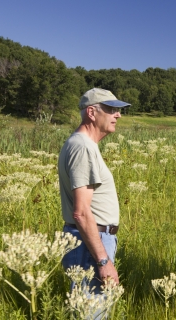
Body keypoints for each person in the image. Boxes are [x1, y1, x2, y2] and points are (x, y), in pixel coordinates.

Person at [59, 88, 130, 311]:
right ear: (91, 112)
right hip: (90, 244)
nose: (117, 115)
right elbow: (80, 211)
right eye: (111, 109)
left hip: (91, 241)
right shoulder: (83, 147)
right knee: (92, 312)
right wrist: (103, 261)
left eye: (118, 110)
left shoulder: (83, 144)